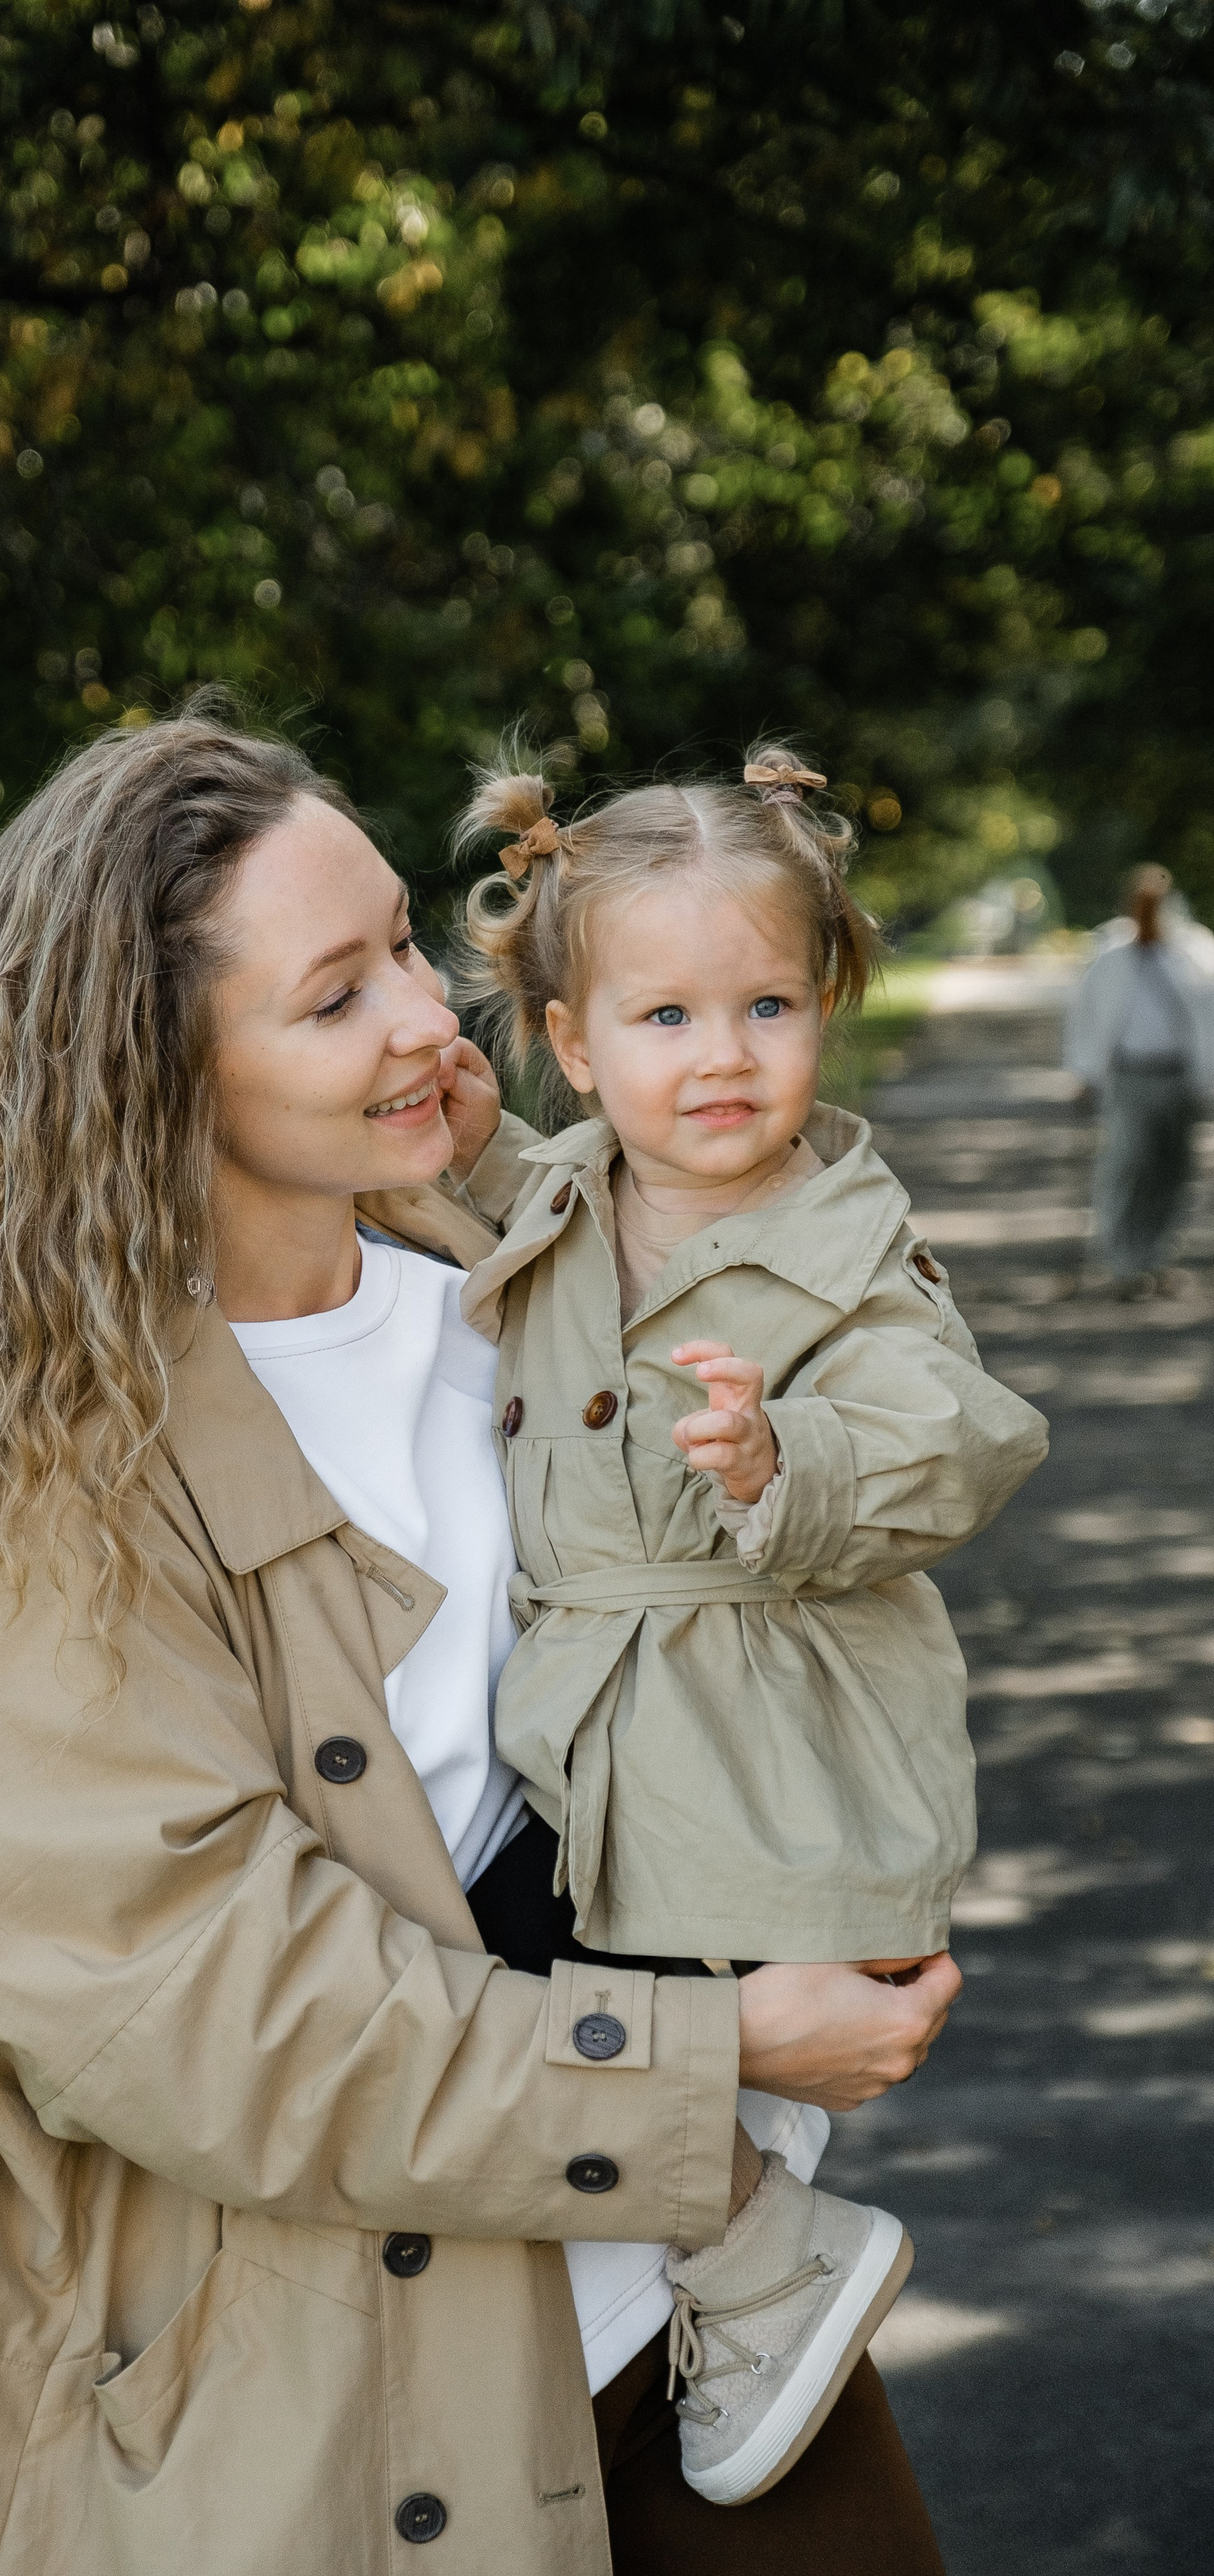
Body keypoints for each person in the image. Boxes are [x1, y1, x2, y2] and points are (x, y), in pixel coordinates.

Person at [0, 704, 960, 2574]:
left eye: (402, 939)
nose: (426, 1014)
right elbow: (228, 2017)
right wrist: (715, 2054)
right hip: (363, 2431)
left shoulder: (514, 1284)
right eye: (334, 999)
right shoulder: (72, 1503)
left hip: (705, 2350)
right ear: (151, 1072)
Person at [446, 743, 1047, 2509]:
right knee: (478, 1957)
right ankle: (749, 2212)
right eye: (667, 1017)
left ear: (827, 1002)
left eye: (768, 1003)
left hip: (755, 1733)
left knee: (512, 1980)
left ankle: (757, 2256)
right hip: (609, 1733)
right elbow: (491, 1202)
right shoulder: (570, 1189)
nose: (723, 1056)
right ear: (574, 1046)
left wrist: (798, 1455)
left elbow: (964, 1429)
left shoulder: (842, 1237)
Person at [1062, 862, 1214, 1295]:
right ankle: (1123, 1262)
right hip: (1130, 1078)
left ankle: (1157, 1258)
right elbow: (1086, 1018)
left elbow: (1207, 1021)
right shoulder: (1109, 956)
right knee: (1128, 1166)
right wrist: (1084, 1073)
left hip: (1179, 1078)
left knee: (1172, 1169)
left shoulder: (1194, 954)